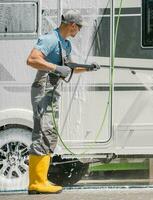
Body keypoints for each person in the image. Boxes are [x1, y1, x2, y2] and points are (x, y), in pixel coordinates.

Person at [26, 10, 100, 194]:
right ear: (72, 25)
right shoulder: (50, 39)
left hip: (52, 89)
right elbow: (32, 59)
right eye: (79, 27)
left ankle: (42, 179)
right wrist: (56, 67)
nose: (79, 31)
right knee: (43, 132)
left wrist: (89, 68)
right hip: (43, 87)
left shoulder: (65, 44)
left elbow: (68, 69)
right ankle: (35, 183)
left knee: (50, 133)